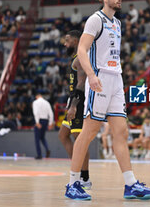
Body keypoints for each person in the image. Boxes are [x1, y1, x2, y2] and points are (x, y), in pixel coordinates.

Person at [65, 0, 150, 201]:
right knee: (89, 131)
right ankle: (72, 184)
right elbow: (81, 50)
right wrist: (90, 75)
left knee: (121, 132)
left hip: (116, 79)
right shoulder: (95, 19)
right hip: (99, 78)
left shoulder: (117, 23)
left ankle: (131, 184)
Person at [58, 30, 91, 189]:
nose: (65, 44)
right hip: (73, 101)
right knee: (63, 135)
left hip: (79, 102)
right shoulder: (75, 57)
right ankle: (76, 169)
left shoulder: (80, 57)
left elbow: (81, 84)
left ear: (77, 41)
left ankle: (84, 178)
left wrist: (73, 106)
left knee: (80, 142)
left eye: (68, 40)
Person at [32, 93, 54, 159]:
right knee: (42, 137)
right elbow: (51, 113)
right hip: (45, 121)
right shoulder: (47, 103)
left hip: (39, 120)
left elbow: (36, 112)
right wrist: (50, 123)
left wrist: (37, 122)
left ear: (37, 96)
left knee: (37, 139)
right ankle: (47, 149)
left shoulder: (35, 102)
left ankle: (39, 155)